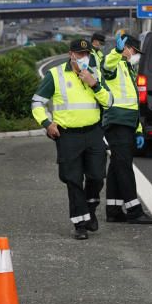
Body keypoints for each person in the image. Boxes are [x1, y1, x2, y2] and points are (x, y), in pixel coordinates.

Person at [31, 38, 114, 240]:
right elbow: (37, 102)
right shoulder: (56, 74)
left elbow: (109, 102)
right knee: (73, 180)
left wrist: (94, 84)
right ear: (71, 55)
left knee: (96, 176)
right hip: (67, 135)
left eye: (86, 55)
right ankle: (80, 224)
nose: (83, 58)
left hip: (93, 133)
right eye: (79, 54)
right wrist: (47, 123)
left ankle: (90, 208)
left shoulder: (94, 73)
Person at [101, 33, 152, 224]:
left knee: (117, 166)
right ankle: (134, 211)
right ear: (125, 48)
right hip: (117, 122)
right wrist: (116, 51)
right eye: (133, 50)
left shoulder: (128, 67)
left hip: (127, 122)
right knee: (124, 167)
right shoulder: (115, 63)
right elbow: (107, 66)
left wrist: (138, 129)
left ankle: (114, 209)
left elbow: (133, 103)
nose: (134, 54)